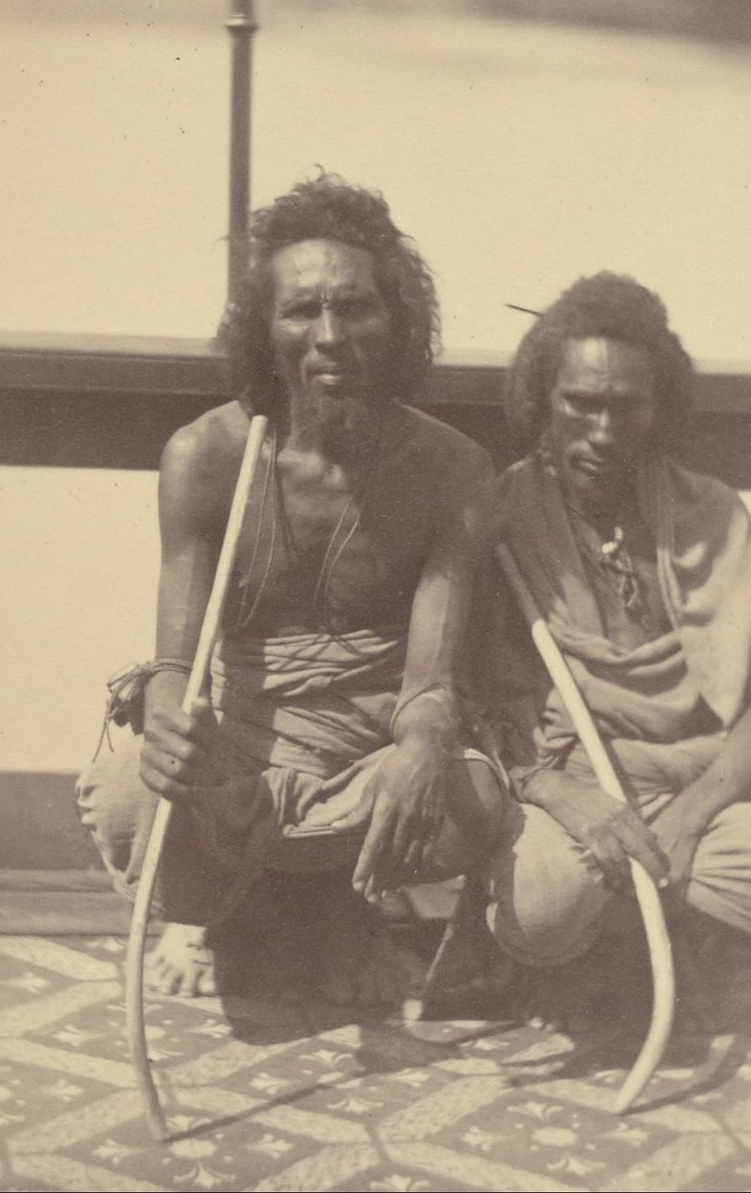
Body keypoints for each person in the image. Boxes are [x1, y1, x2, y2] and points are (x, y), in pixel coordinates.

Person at [77, 175, 504, 1002]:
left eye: (357, 308)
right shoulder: (206, 456)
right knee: (133, 798)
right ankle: (203, 912)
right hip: (244, 739)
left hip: (370, 746)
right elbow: (177, 670)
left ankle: (350, 906)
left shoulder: (453, 471)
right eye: (302, 311)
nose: (331, 335)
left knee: (469, 798)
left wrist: (421, 748)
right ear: (264, 332)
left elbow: (430, 682)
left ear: (399, 321)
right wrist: (169, 723)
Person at [438, 272, 751, 1024]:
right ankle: (602, 942)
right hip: (573, 793)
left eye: (626, 406)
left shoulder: (713, 515)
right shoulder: (498, 516)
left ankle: (663, 931)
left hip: (700, 789)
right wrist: (561, 793)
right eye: (580, 403)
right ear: (542, 402)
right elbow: (468, 701)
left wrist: (690, 818)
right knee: (542, 911)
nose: (601, 429)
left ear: (660, 410)